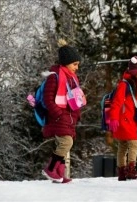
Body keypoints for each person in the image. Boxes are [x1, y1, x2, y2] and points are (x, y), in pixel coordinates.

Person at [41, 39, 82, 183]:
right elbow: (48, 99)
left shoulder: (72, 78)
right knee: (66, 143)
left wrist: (77, 114)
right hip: (60, 117)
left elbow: (74, 100)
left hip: (69, 118)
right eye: (75, 64)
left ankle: (59, 174)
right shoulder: (55, 77)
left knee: (64, 146)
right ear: (66, 63)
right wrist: (58, 114)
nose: (77, 67)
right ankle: (51, 169)